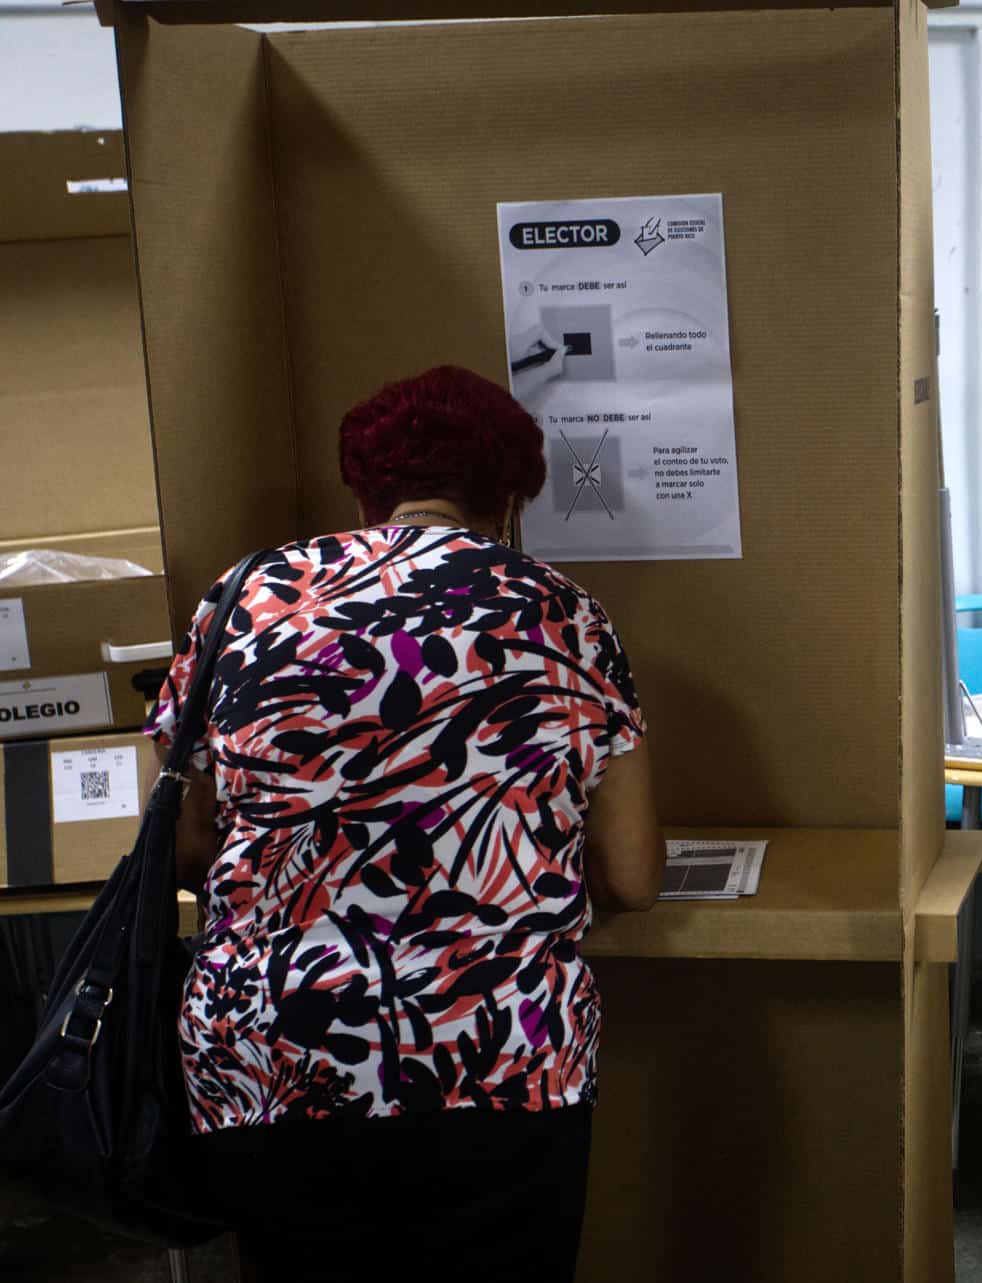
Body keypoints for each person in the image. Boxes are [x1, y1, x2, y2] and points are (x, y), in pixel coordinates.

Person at [148, 365, 666, 1282]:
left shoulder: (243, 600)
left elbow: (190, 844)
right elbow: (632, 875)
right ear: (509, 498)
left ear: (364, 493)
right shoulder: (560, 610)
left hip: (275, 1057)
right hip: (500, 1058)